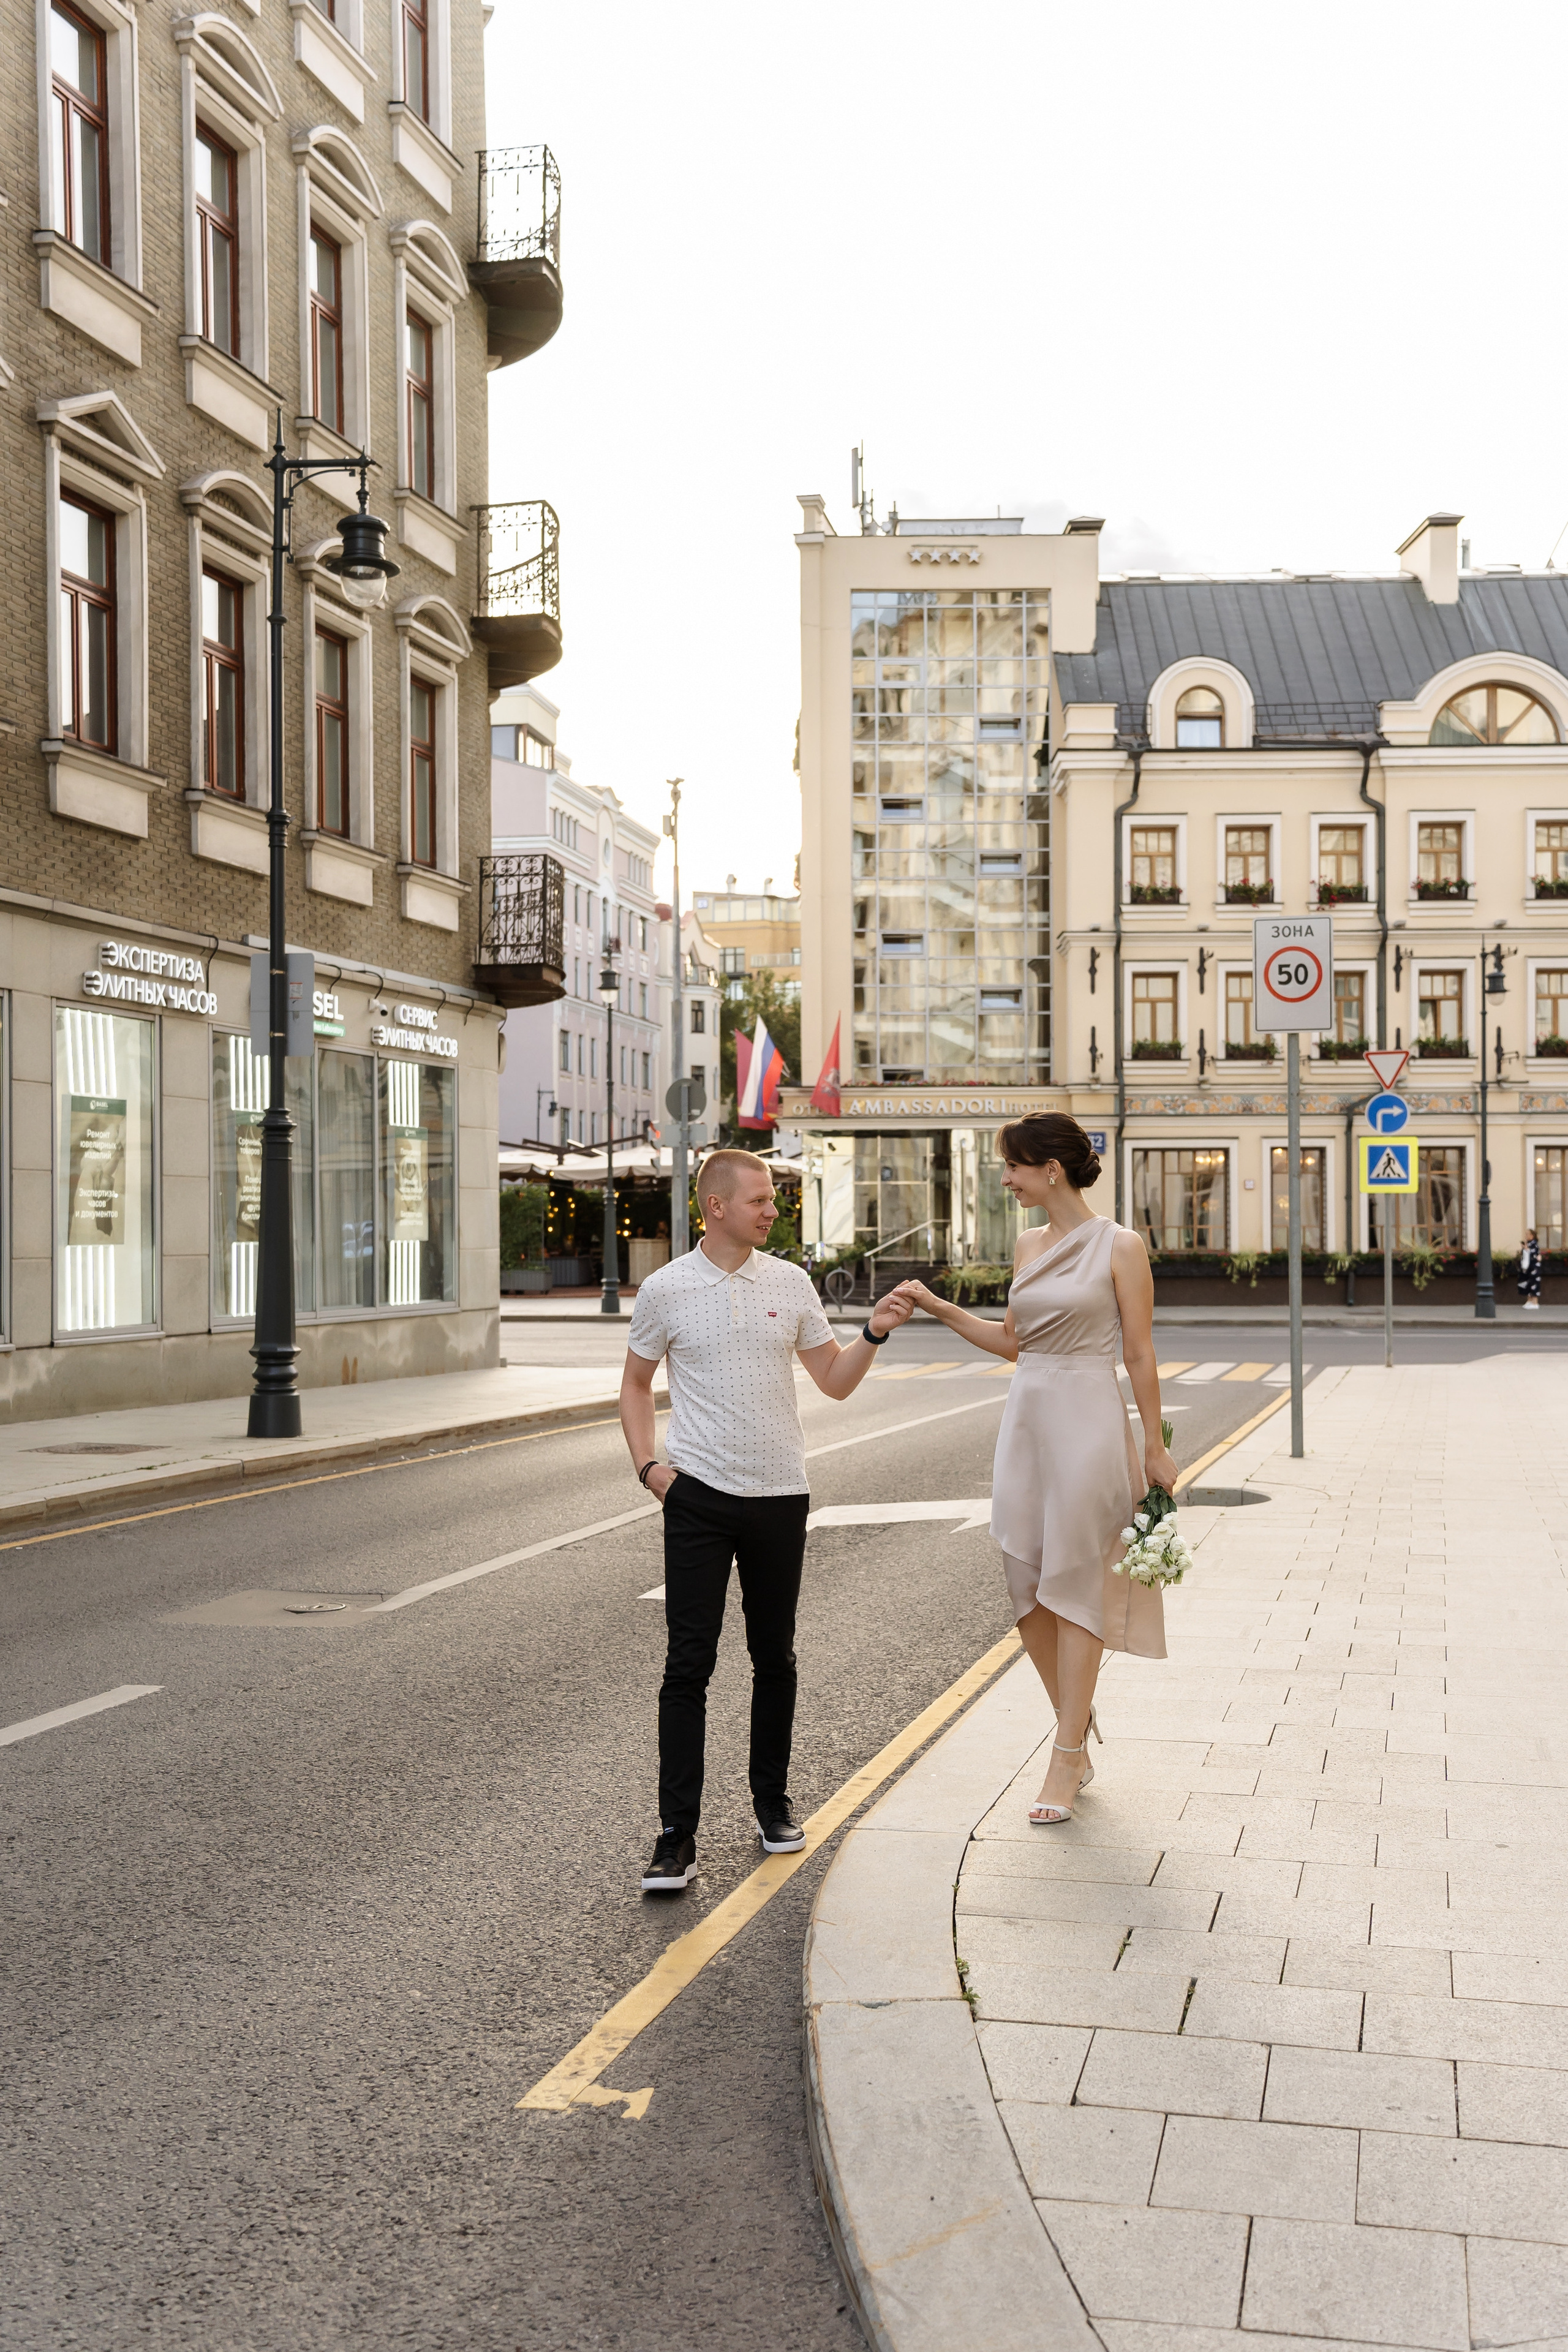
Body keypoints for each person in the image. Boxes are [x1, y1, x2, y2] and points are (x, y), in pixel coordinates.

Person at [620, 1148, 914, 1894]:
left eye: (774, 1201)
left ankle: (771, 1805)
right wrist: (649, 1468)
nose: (772, 1210)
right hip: (698, 1497)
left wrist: (872, 1335)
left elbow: (834, 1383)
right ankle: (674, 1837)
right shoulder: (665, 1289)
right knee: (689, 1665)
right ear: (715, 1206)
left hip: (781, 1494)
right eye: (759, 1199)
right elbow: (634, 1382)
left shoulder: (789, 1282)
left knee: (774, 1658)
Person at [891, 1112, 1177, 1826]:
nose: (1006, 1179)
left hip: (1087, 1417)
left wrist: (1153, 1445)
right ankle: (1074, 1725)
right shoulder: (1025, 1244)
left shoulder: (1121, 1245)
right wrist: (934, 1306)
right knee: (1026, 1588)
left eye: (1012, 1167)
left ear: (1050, 1168)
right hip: (1028, 1420)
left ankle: (1064, 1752)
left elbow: (1139, 1353)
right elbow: (1014, 1343)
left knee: (1075, 1581)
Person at [1518, 1227, 1543, 1310]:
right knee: (1528, 1283)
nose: (1526, 1236)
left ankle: (1535, 1302)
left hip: (1534, 1268)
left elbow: (1534, 1254)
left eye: (1527, 1234)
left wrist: (1526, 1249)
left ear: (1532, 1236)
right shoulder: (1528, 1244)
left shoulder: (1534, 1244)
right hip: (1527, 1268)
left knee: (1534, 1283)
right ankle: (1529, 1300)